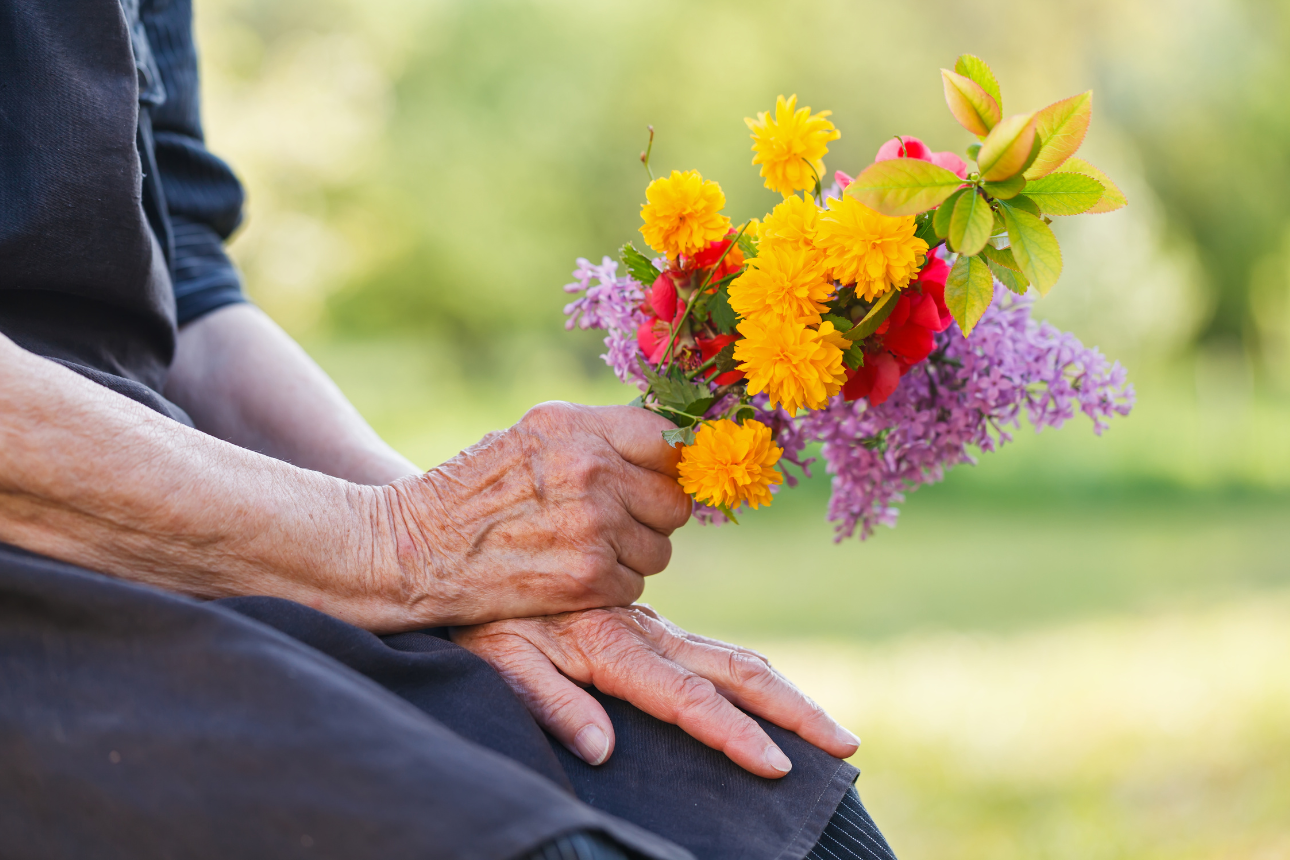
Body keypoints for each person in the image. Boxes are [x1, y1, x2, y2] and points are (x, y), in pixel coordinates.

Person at [0, 2, 898, 858]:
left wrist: (469, 562)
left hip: (184, 515)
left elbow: (183, 275)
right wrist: (396, 547)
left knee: (772, 817)